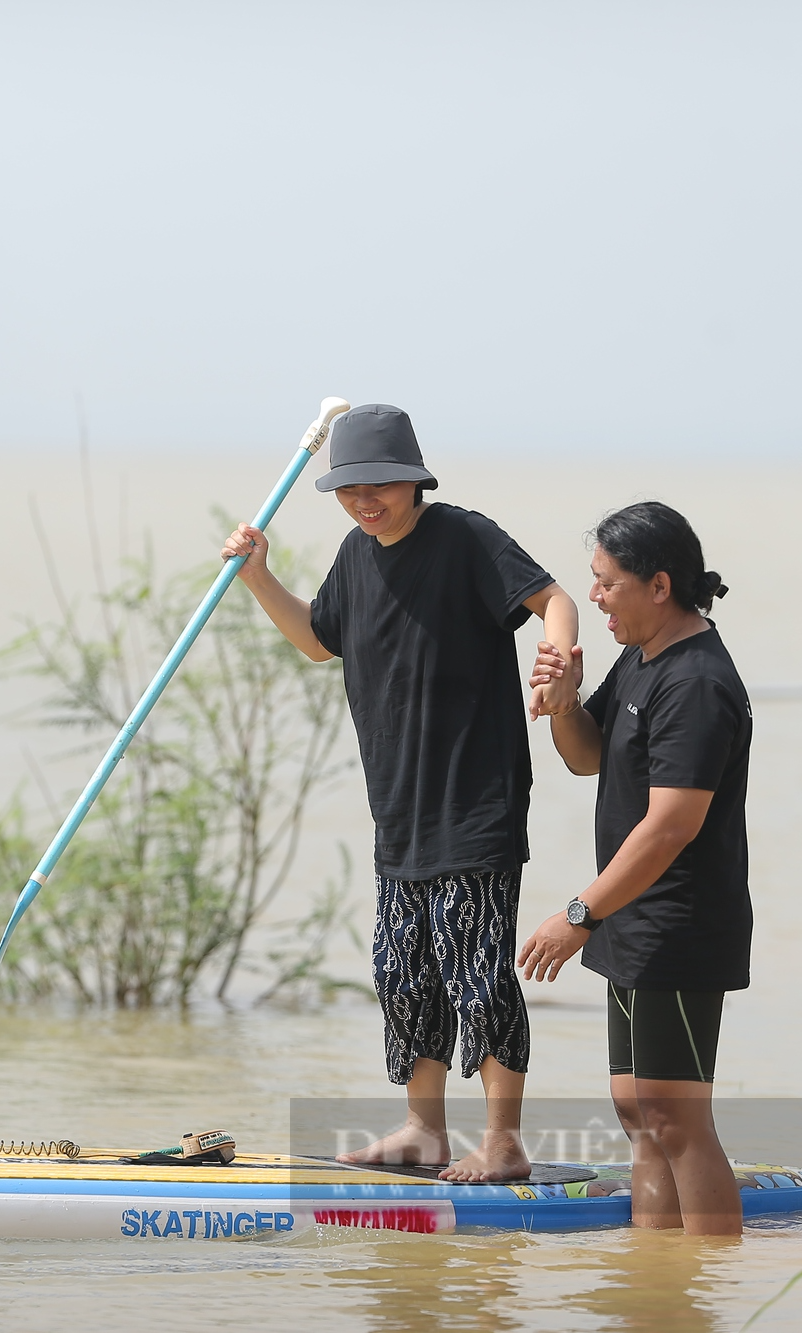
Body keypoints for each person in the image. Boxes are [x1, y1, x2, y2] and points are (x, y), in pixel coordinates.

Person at [222, 403, 579, 1182]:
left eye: (380, 483)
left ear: (415, 477)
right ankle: (423, 1130)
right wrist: (256, 574)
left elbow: (554, 600)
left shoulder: (464, 537)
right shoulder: (355, 555)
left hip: (475, 799)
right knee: (401, 970)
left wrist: (553, 666)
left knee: (478, 970)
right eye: (349, 488)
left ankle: (505, 1140)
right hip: (400, 809)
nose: (364, 499)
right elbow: (319, 640)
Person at [516, 501, 750, 1236]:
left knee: (678, 1121)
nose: (593, 598)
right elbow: (588, 756)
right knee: (640, 1116)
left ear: (659, 584)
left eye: (606, 582)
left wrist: (579, 912)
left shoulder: (698, 682)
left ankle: (709, 1285)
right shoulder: (642, 655)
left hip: (677, 920)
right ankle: (655, 1292)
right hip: (631, 917)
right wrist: (561, 706)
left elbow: (672, 825)